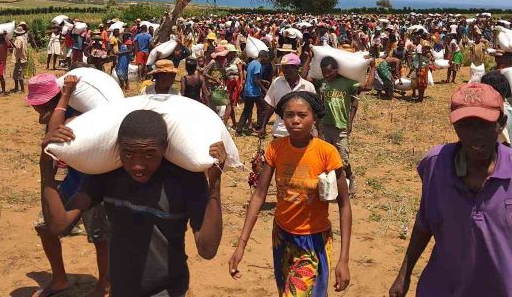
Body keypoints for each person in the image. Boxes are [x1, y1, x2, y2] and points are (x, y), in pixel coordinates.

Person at [388, 83, 512, 297]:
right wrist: (404, 275)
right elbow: (424, 223)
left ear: (502, 124)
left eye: (484, 125)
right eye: (465, 125)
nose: (474, 135)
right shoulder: (437, 164)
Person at [40, 108, 225, 297]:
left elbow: (207, 249)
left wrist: (215, 184)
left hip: (166, 290)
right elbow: (58, 224)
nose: (138, 166)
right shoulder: (106, 175)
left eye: (149, 154)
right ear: (118, 148)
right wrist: (46, 163)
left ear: (165, 147)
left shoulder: (185, 180)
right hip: (120, 288)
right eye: (128, 154)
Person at [229, 90, 352, 295]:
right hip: (282, 236)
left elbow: (344, 205)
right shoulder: (275, 149)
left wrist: (344, 259)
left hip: (313, 240)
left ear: (314, 118)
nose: (295, 120)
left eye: (302, 115)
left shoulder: (327, 153)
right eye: (289, 115)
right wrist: (241, 245)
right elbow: (259, 195)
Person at [26, 74, 111, 297]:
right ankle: (60, 278)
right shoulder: (60, 113)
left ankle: (104, 284)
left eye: (38, 104)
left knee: (100, 236)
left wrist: (64, 96)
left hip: (93, 181)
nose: (35, 109)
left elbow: (54, 137)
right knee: (45, 227)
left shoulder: (78, 115)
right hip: (72, 181)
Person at [305, 55, 360, 192]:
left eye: (330, 72)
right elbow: (305, 77)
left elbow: (368, 87)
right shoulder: (322, 82)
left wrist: (372, 67)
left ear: (337, 70)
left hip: (341, 126)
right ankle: (330, 185)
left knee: (343, 159)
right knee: (324, 157)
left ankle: (350, 176)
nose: (327, 75)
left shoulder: (347, 83)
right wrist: (309, 58)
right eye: (324, 72)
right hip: (324, 125)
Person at [259, 52, 316, 138]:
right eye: (283, 68)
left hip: (302, 133)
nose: (284, 71)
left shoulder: (308, 87)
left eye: (287, 68)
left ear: (297, 68)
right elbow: (270, 106)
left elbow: (314, 110)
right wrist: (263, 126)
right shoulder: (277, 83)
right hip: (280, 132)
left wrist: (316, 129)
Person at [235, 50, 268, 135]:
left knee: (247, 110)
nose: (267, 60)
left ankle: (238, 130)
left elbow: (252, 77)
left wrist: (262, 81)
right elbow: (255, 80)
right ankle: (260, 126)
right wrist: (264, 89)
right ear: (263, 57)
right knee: (266, 108)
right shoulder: (258, 65)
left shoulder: (252, 63)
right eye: (266, 58)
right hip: (254, 91)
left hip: (248, 90)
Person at [12, 24, 30, 93]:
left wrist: (12, 42)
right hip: (22, 58)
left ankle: (21, 89)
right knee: (17, 74)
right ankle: (17, 88)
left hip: (19, 58)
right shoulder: (23, 38)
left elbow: (18, 47)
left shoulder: (19, 39)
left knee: (18, 74)